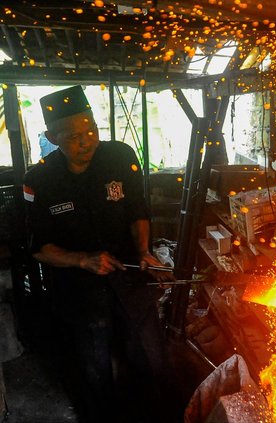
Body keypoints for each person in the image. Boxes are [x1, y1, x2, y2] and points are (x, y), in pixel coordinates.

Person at [23, 85, 173, 422]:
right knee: (94, 372)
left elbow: (138, 210)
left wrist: (144, 251)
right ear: (52, 136)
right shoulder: (39, 179)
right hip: (79, 292)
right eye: (73, 135)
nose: (86, 140)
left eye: (90, 128)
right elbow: (39, 249)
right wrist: (83, 260)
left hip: (130, 276)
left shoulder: (120, 156)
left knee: (153, 361)